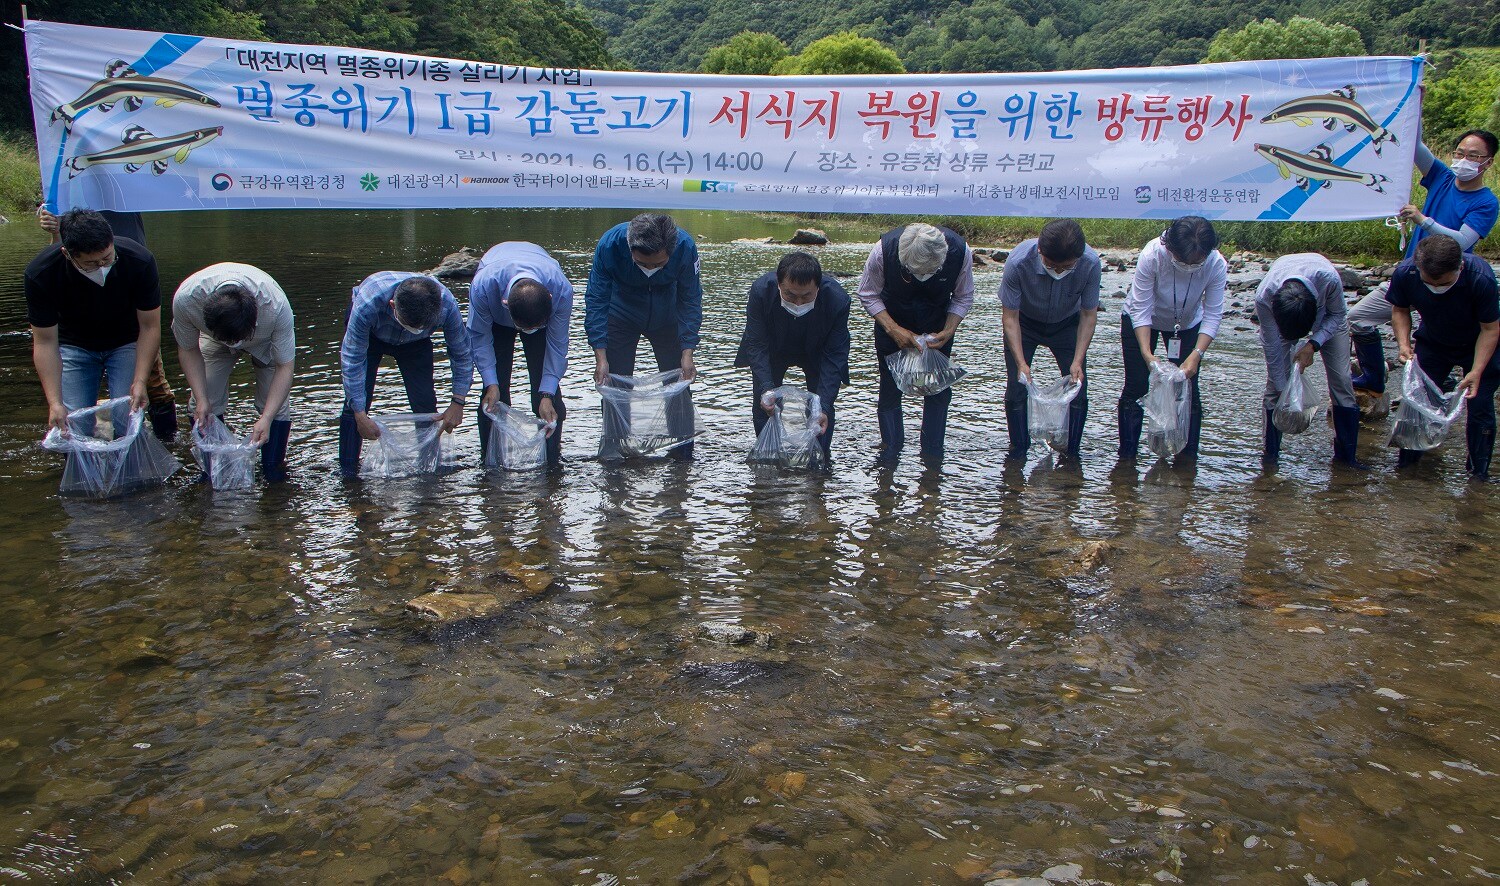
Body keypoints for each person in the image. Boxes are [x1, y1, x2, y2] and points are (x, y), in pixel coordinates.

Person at [1348, 129, 1497, 393]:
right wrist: (1415, 102)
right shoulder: (1443, 177)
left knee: (1446, 342)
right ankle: (1374, 376)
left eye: (1473, 156)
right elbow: (1412, 145)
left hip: (1449, 283)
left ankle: (1447, 379)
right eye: (1460, 153)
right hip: (1413, 275)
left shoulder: (1486, 202)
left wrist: (1423, 220)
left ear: (1488, 162)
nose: (1464, 160)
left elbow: (1462, 242)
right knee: (1358, 317)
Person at [37, 202, 178, 441]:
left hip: (126, 340)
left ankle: (134, 470)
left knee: (128, 414)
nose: (101, 267)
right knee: (73, 423)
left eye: (106, 258)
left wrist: (141, 380)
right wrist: (54, 402)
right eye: (91, 263)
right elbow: (44, 342)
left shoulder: (139, 260)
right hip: (74, 344)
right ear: (67, 254)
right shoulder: (42, 272)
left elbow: (150, 326)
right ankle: (82, 472)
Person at [585, 213, 703, 458]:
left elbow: (690, 299)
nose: (650, 269)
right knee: (614, 383)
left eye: (658, 265)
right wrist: (600, 355)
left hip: (667, 316)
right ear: (630, 248)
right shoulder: (610, 245)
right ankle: (616, 451)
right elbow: (596, 299)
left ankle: (682, 454)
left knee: (678, 383)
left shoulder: (684, 247)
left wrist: (688, 350)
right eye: (642, 264)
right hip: (621, 315)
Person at [858, 222, 975, 464]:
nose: (923, 277)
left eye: (930, 271)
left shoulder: (960, 252)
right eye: (915, 272)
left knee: (938, 391)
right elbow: (868, 293)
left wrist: (949, 330)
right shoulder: (883, 251)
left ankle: (932, 456)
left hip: (938, 327)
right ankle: (891, 453)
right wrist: (893, 329)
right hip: (892, 321)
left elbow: (963, 295)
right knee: (889, 390)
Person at [338, 272, 472, 478]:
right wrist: (359, 413)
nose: (414, 330)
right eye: (411, 326)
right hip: (373, 336)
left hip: (416, 346)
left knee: (425, 403)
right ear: (393, 306)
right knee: (355, 402)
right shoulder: (368, 304)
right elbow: (352, 359)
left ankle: (428, 472)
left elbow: (461, 353)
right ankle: (347, 475)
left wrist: (458, 401)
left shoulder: (445, 306)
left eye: (420, 327)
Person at [171, 263, 297, 482]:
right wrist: (201, 397)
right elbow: (188, 348)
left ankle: (273, 471)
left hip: (264, 340)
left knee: (275, 406)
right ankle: (212, 471)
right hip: (215, 338)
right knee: (203, 401)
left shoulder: (276, 307)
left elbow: (285, 366)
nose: (235, 344)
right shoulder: (186, 300)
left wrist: (266, 418)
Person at [1387, 234, 1499, 480]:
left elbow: (1490, 328)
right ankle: (1406, 469)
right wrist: (1404, 344)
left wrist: (1476, 371)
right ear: (1419, 268)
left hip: (1477, 343)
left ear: (1459, 267)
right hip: (1434, 341)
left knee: (1479, 405)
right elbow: (1400, 310)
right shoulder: (1406, 274)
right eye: (1431, 283)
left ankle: (1478, 475)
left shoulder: (1480, 277)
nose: (1437, 288)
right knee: (1417, 401)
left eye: (1444, 284)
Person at [1118, 216, 1226, 464]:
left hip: (1187, 324)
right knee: (1136, 387)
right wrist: (1147, 354)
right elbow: (1141, 308)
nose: (1189, 266)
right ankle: (1127, 459)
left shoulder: (1216, 264)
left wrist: (1196, 355)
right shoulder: (1153, 255)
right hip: (1144, 319)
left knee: (1187, 387)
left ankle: (1187, 460)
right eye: (1182, 261)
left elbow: (1213, 314)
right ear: (1170, 248)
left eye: (1196, 262)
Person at [999, 219, 1101, 461]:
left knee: (1078, 386)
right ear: (1039, 251)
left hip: (1067, 323)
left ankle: (1072, 454)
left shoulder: (1090, 264)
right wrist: (1022, 363)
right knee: (1017, 386)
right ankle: (1018, 450)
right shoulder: (1018, 263)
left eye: (1066, 267)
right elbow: (1010, 318)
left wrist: (1078, 360)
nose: (1057, 271)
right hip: (1025, 322)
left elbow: (1088, 315)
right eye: (1051, 265)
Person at [1254, 253, 1365, 470]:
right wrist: (1285, 393)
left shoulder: (1329, 280)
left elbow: (1338, 316)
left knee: (1341, 380)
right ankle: (1270, 459)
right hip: (1284, 322)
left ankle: (1347, 460)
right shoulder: (1265, 296)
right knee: (1274, 387)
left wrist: (1313, 344)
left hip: (1329, 318)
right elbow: (1273, 349)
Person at [734, 251, 851, 456]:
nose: (798, 303)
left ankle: (820, 464)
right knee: (765, 403)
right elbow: (756, 344)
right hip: (773, 349)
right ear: (778, 284)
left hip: (818, 351)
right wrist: (766, 388)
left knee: (820, 408)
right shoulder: (761, 291)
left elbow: (835, 356)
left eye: (806, 296)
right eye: (790, 295)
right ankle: (768, 460)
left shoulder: (837, 300)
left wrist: (823, 405)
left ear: (818, 286)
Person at [468, 241, 572, 468]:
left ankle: (552, 462)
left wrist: (547, 393)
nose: (526, 332)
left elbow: (557, 344)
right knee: (495, 394)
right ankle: (490, 461)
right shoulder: (484, 286)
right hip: (497, 321)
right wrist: (490, 382)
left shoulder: (561, 290)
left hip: (539, 314)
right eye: (524, 327)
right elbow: (479, 336)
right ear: (505, 304)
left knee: (548, 395)